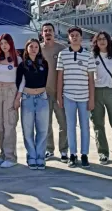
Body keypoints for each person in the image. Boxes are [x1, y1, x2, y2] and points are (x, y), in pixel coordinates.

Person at [56, 26, 96, 168]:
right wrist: (59, 96)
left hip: (84, 97)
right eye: (72, 35)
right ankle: (72, 154)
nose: (74, 37)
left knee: (85, 127)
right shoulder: (63, 55)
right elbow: (60, 77)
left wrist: (92, 98)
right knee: (70, 126)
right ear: (69, 38)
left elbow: (91, 79)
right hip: (68, 96)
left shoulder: (88, 55)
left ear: (81, 37)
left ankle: (84, 154)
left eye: (77, 35)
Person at [0, 33, 22, 168]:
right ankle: (2, 154)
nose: (4, 46)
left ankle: (11, 157)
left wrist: (18, 97)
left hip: (11, 91)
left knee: (9, 123)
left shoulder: (17, 59)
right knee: (0, 123)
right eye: (1, 44)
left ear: (11, 44)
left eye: (6, 43)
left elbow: (22, 79)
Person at [90, 31, 112, 164]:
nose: (102, 41)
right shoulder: (92, 56)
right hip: (97, 91)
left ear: (109, 40)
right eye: (99, 40)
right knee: (98, 124)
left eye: (104, 39)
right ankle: (103, 152)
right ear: (96, 42)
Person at [15, 38, 50, 170]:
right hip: (27, 98)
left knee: (42, 129)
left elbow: (45, 79)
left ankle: (40, 157)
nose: (34, 49)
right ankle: (31, 156)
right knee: (28, 130)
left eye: (36, 47)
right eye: (31, 47)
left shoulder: (44, 64)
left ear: (39, 49)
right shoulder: (22, 65)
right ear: (27, 49)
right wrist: (18, 98)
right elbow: (19, 82)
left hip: (42, 97)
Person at [40, 23, 69, 163]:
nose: (48, 33)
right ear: (42, 33)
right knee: (46, 124)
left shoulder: (62, 49)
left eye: (50, 30)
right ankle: (49, 150)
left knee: (63, 123)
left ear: (54, 32)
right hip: (44, 93)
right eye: (45, 31)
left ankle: (64, 150)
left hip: (60, 93)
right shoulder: (38, 49)